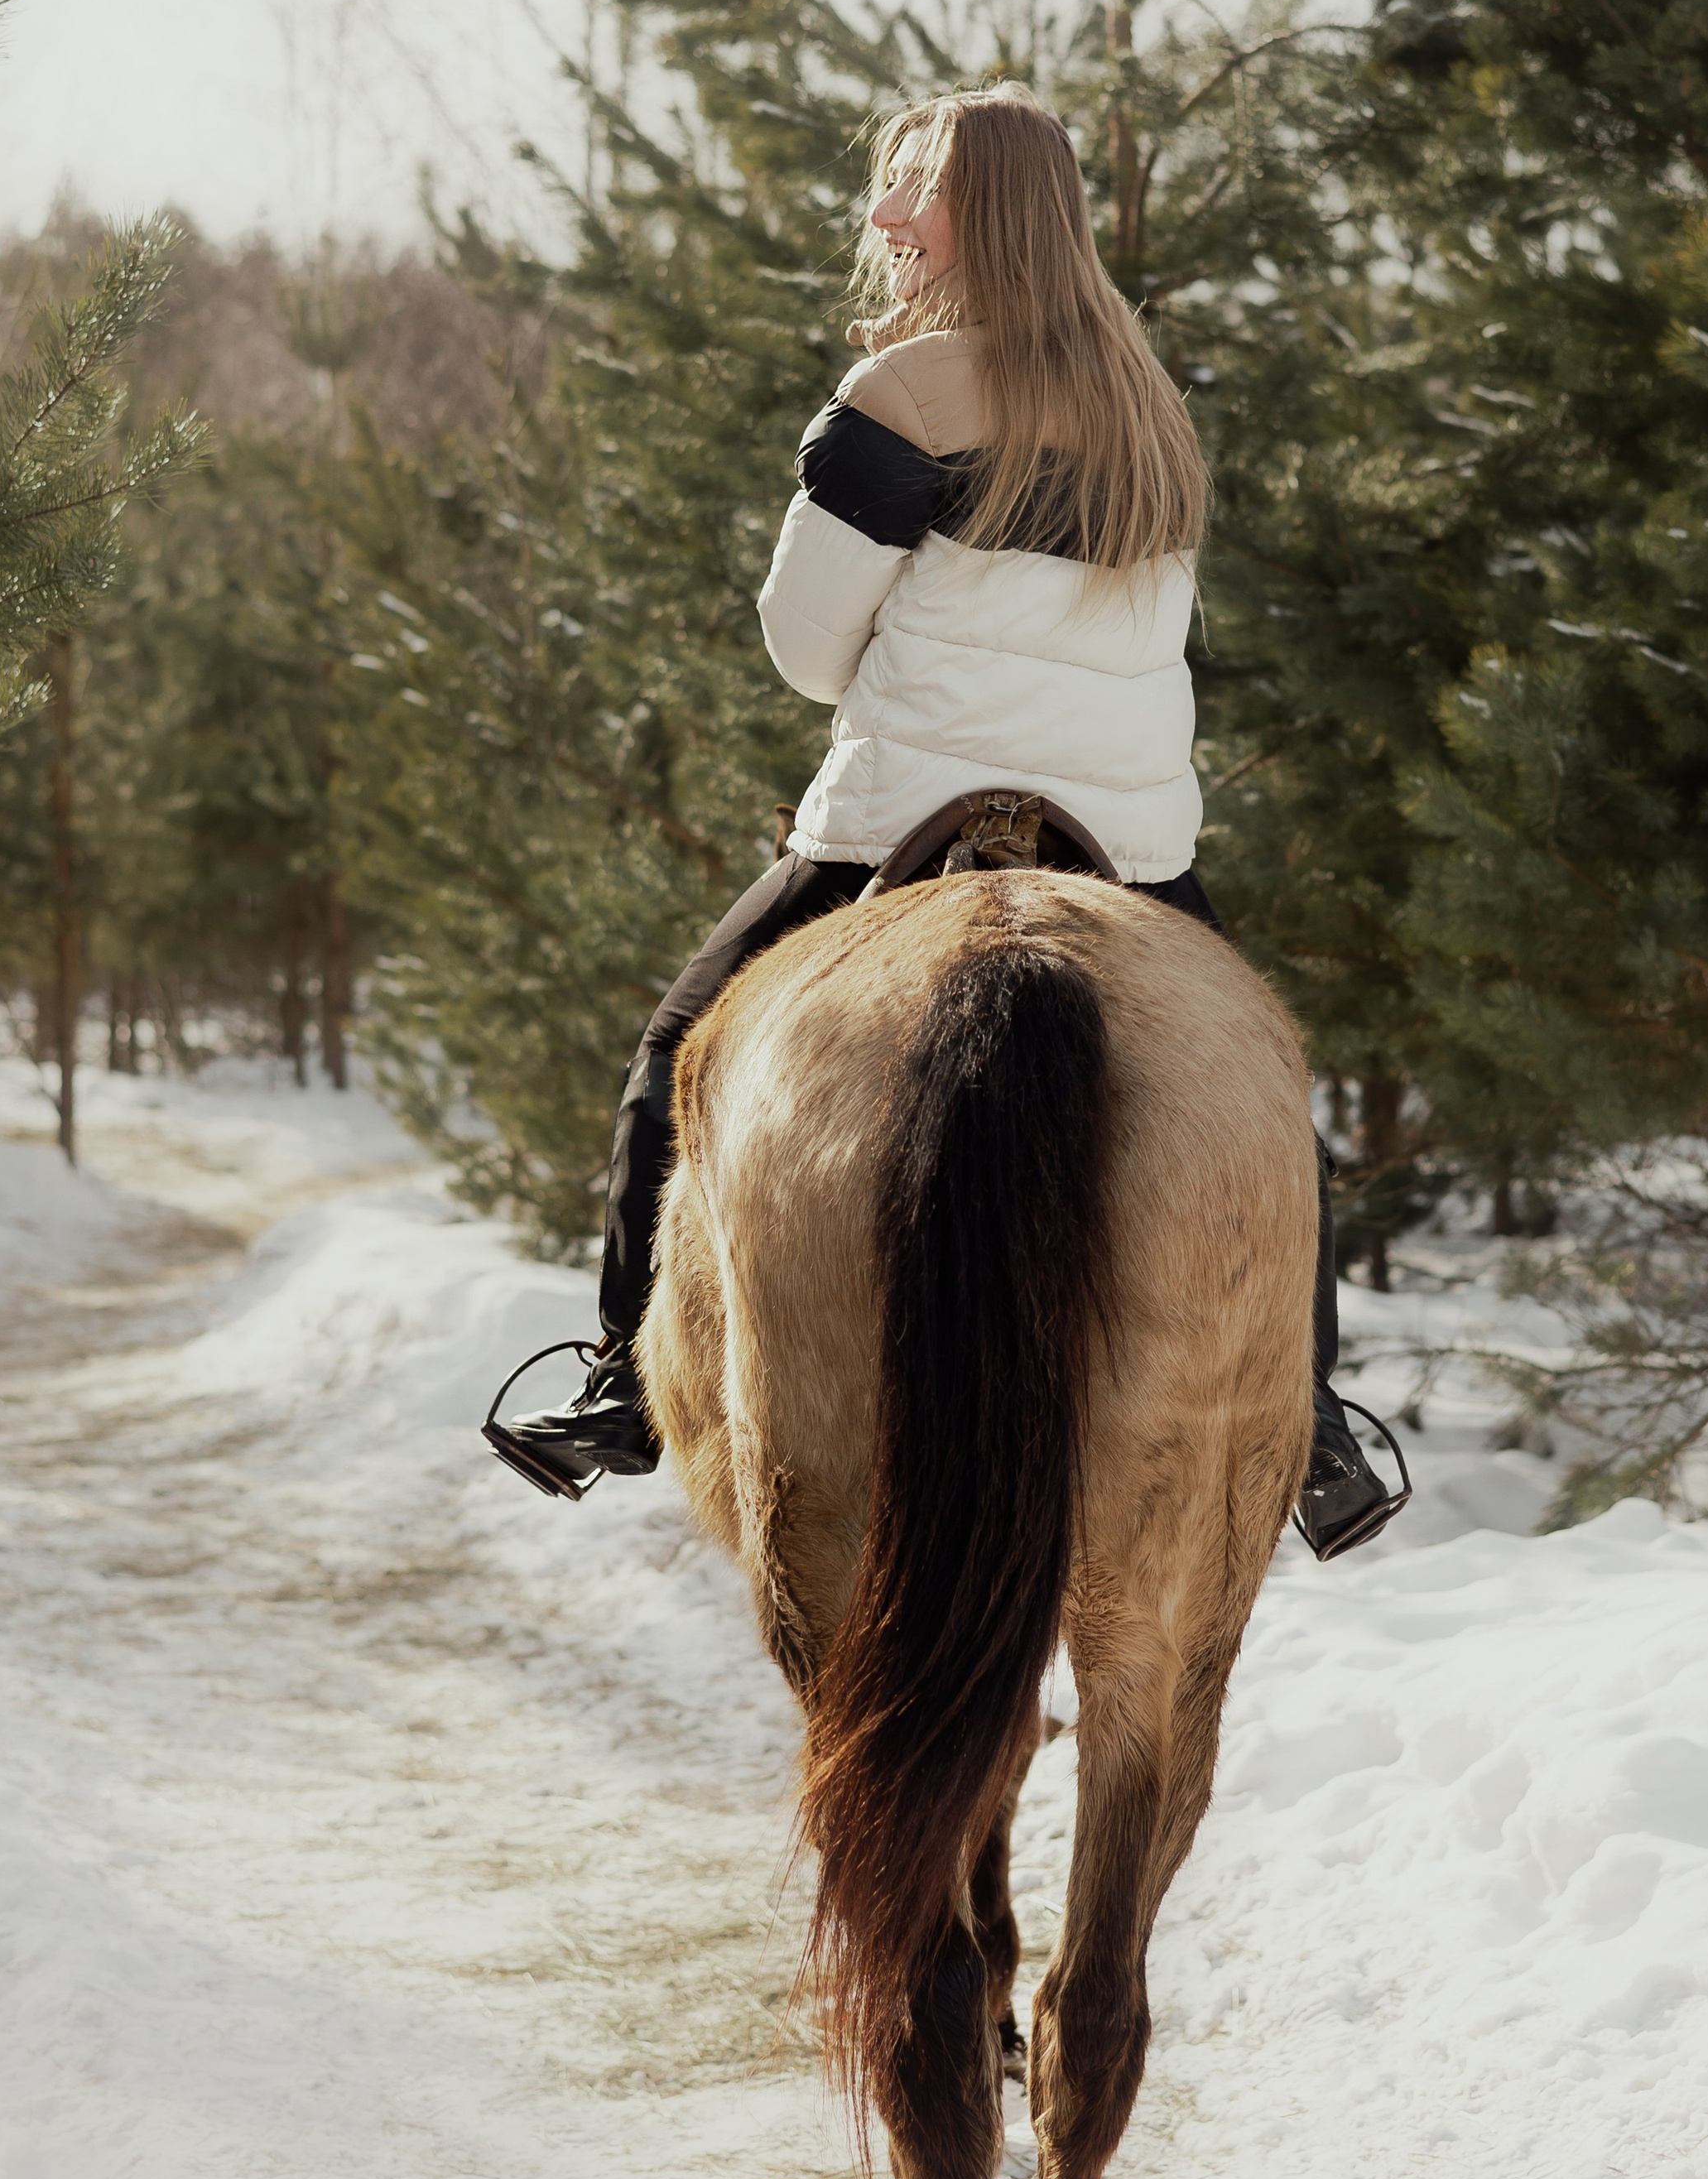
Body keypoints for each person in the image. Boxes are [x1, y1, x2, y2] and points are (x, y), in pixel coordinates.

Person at [498, 83, 1399, 1558]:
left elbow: (802, 643)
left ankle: (617, 1383)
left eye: (911, 185)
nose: (882, 217)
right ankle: (1309, 1425)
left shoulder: (905, 396)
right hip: (1129, 840)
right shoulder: (1149, 404)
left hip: (901, 817)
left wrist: (893, 698)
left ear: (982, 213)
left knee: (677, 1051)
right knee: (1270, 1114)